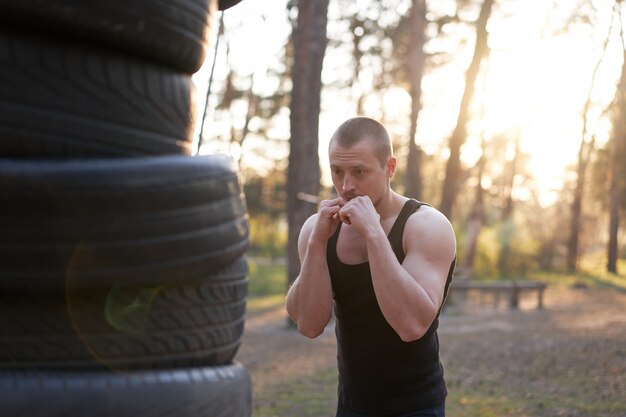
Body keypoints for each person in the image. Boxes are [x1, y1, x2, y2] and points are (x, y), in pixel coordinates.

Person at [285, 117, 457, 417]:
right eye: (337, 172)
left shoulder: (426, 226)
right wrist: (316, 243)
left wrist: (374, 234)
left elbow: (412, 325)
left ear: (389, 168)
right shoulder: (319, 228)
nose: (346, 186)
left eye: (359, 172)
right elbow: (309, 325)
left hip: (416, 406)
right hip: (351, 405)